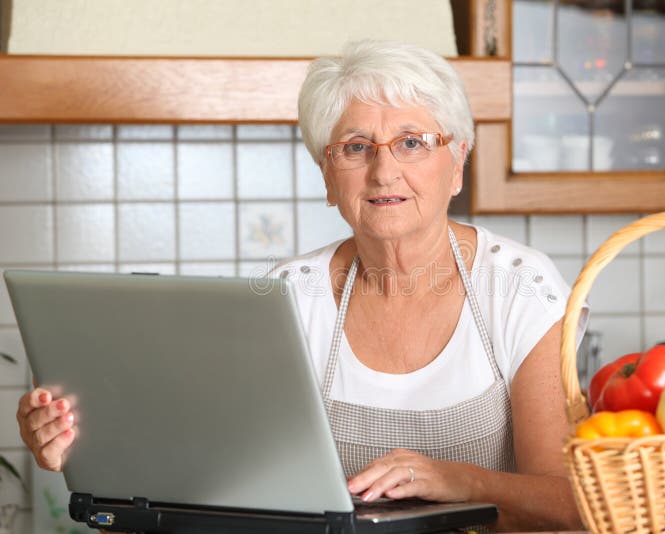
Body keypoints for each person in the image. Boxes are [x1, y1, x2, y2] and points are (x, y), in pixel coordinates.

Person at [16, 40, 588, 531]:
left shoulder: (520, 288)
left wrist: (456, 480)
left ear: (457, 161)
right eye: (356, 147)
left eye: (412, 142)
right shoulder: (287, 295)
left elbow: (571, 506)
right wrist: (77, 440)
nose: (384, 171)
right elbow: (216, 471)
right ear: (326, 175)